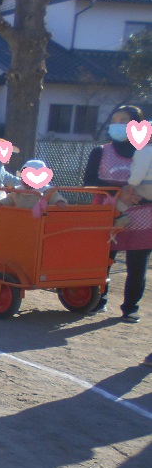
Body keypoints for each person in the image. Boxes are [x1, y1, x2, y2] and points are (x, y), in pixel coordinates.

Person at [83, 105, 152, 323]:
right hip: (106, 213)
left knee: (137, 264)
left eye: (124, 120)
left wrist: (140, 196)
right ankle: (97, 299)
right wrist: (119, 191)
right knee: (102, 259)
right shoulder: (100, 152)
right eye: (115, 119)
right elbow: (89, 183)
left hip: (142, 214)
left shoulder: (147, 151)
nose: (118, 124)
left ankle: (131, 307)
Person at [0, 159, 67, 210]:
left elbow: (55, 197)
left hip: (38, 222)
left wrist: (59, 201)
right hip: (20, 220)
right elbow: (9, 199)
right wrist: (1, 203)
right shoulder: (19, 191)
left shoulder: (46, 191)